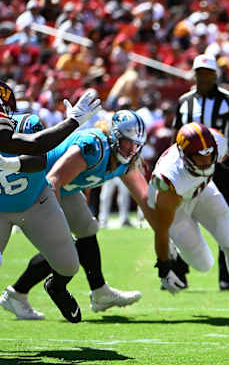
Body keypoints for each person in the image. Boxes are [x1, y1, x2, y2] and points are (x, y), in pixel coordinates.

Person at [1, 111, 149, 321]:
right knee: (62, 244)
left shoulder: (125, 160)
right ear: (115, 137)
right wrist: (57, 222)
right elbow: (54, 180)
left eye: (136, 145)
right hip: (39, 187)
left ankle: (99, 291)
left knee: (87, 228)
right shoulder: (94, 147)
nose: (132, 150)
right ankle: (18, 292)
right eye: (127, 144)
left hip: (63, 189)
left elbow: (145, 197)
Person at [0, 87, 103, 323]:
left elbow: (39, 158)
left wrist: (9, 165)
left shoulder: (26, 123)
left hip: (36, 201)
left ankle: (56, 287)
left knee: (68, 264)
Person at [148, 122, 229, 318]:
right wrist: (164, 267)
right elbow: (161, 229)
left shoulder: (216, 141)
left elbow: (223, 156)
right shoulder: (170, 177)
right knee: (204, 264)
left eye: (209, 154)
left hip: (203, 192)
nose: (206, 160)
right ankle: (175, 249)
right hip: (178, 205)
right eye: (199, 157)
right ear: (185, 156)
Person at [173, 54, 229, 292]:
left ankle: (226, 276)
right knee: (183, 219)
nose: (202, 77)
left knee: (223, 219)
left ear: (215, 75)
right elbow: (177, 138)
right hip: (190, 171)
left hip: (221, 169)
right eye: (198, 73)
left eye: (207, 73)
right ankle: (179, 273)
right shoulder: (185, 101)